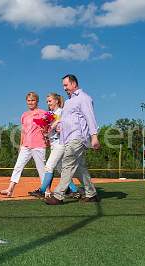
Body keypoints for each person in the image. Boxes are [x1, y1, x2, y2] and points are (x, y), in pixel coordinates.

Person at [45, 74, 100, 205]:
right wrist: (59, 127)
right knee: (80, 168)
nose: (64, 88)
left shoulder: (84, 98)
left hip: (78, 137)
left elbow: (90, 117)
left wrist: (94, 136)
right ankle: (91, 194)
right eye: (63, 86)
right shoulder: (69, 102)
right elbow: (66, 121)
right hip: (68, 138)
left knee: (67, 163)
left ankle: (58, 196)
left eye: (66, 85)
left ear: (74, 84)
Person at [28, 93, 79, 198]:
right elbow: (50, 128)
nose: (48, 103)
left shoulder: (61, 111)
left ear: (56, 101)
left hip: (60, 143)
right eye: (47, 101)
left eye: (50, 101)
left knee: (49, 167)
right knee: (61, 169)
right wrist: (45, 130)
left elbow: (66, 125)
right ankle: (74, 191)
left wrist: (57, 125)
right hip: (53, 143)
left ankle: (41, 191)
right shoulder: (50, 113)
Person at [0, 92, 47, 197]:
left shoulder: (43, 113)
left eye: (33, 100)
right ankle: (10, 189)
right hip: (26, 145)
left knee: (41, 169)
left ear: (37, 101)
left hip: (38, 145)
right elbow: (23, 131)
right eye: (29, 100)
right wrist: (20, 145)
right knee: (18, 166)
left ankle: (46, 191)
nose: (30, 102)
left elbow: (48, 127)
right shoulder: (24, 115)